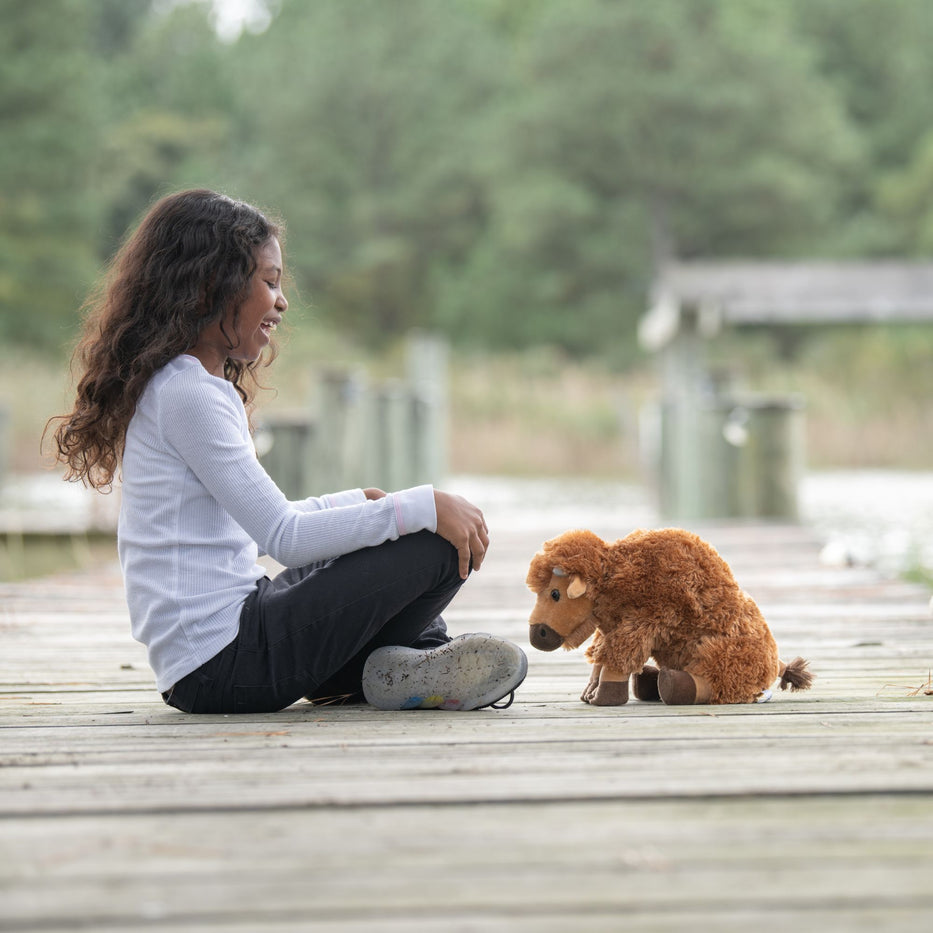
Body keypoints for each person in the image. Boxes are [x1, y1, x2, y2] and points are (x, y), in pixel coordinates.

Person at [48, 188, 526, 714]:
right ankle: (410, 662)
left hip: (212, 658)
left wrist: (354, 505)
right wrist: (424, 506)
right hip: (226, 665)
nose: (282, 301)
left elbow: (255, 533)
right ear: (213, 283)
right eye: (269, 282)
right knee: (433, 543)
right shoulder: (190, 394)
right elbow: (284, 538)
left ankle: (383, 670)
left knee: (389, 534)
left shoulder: (174, 385)